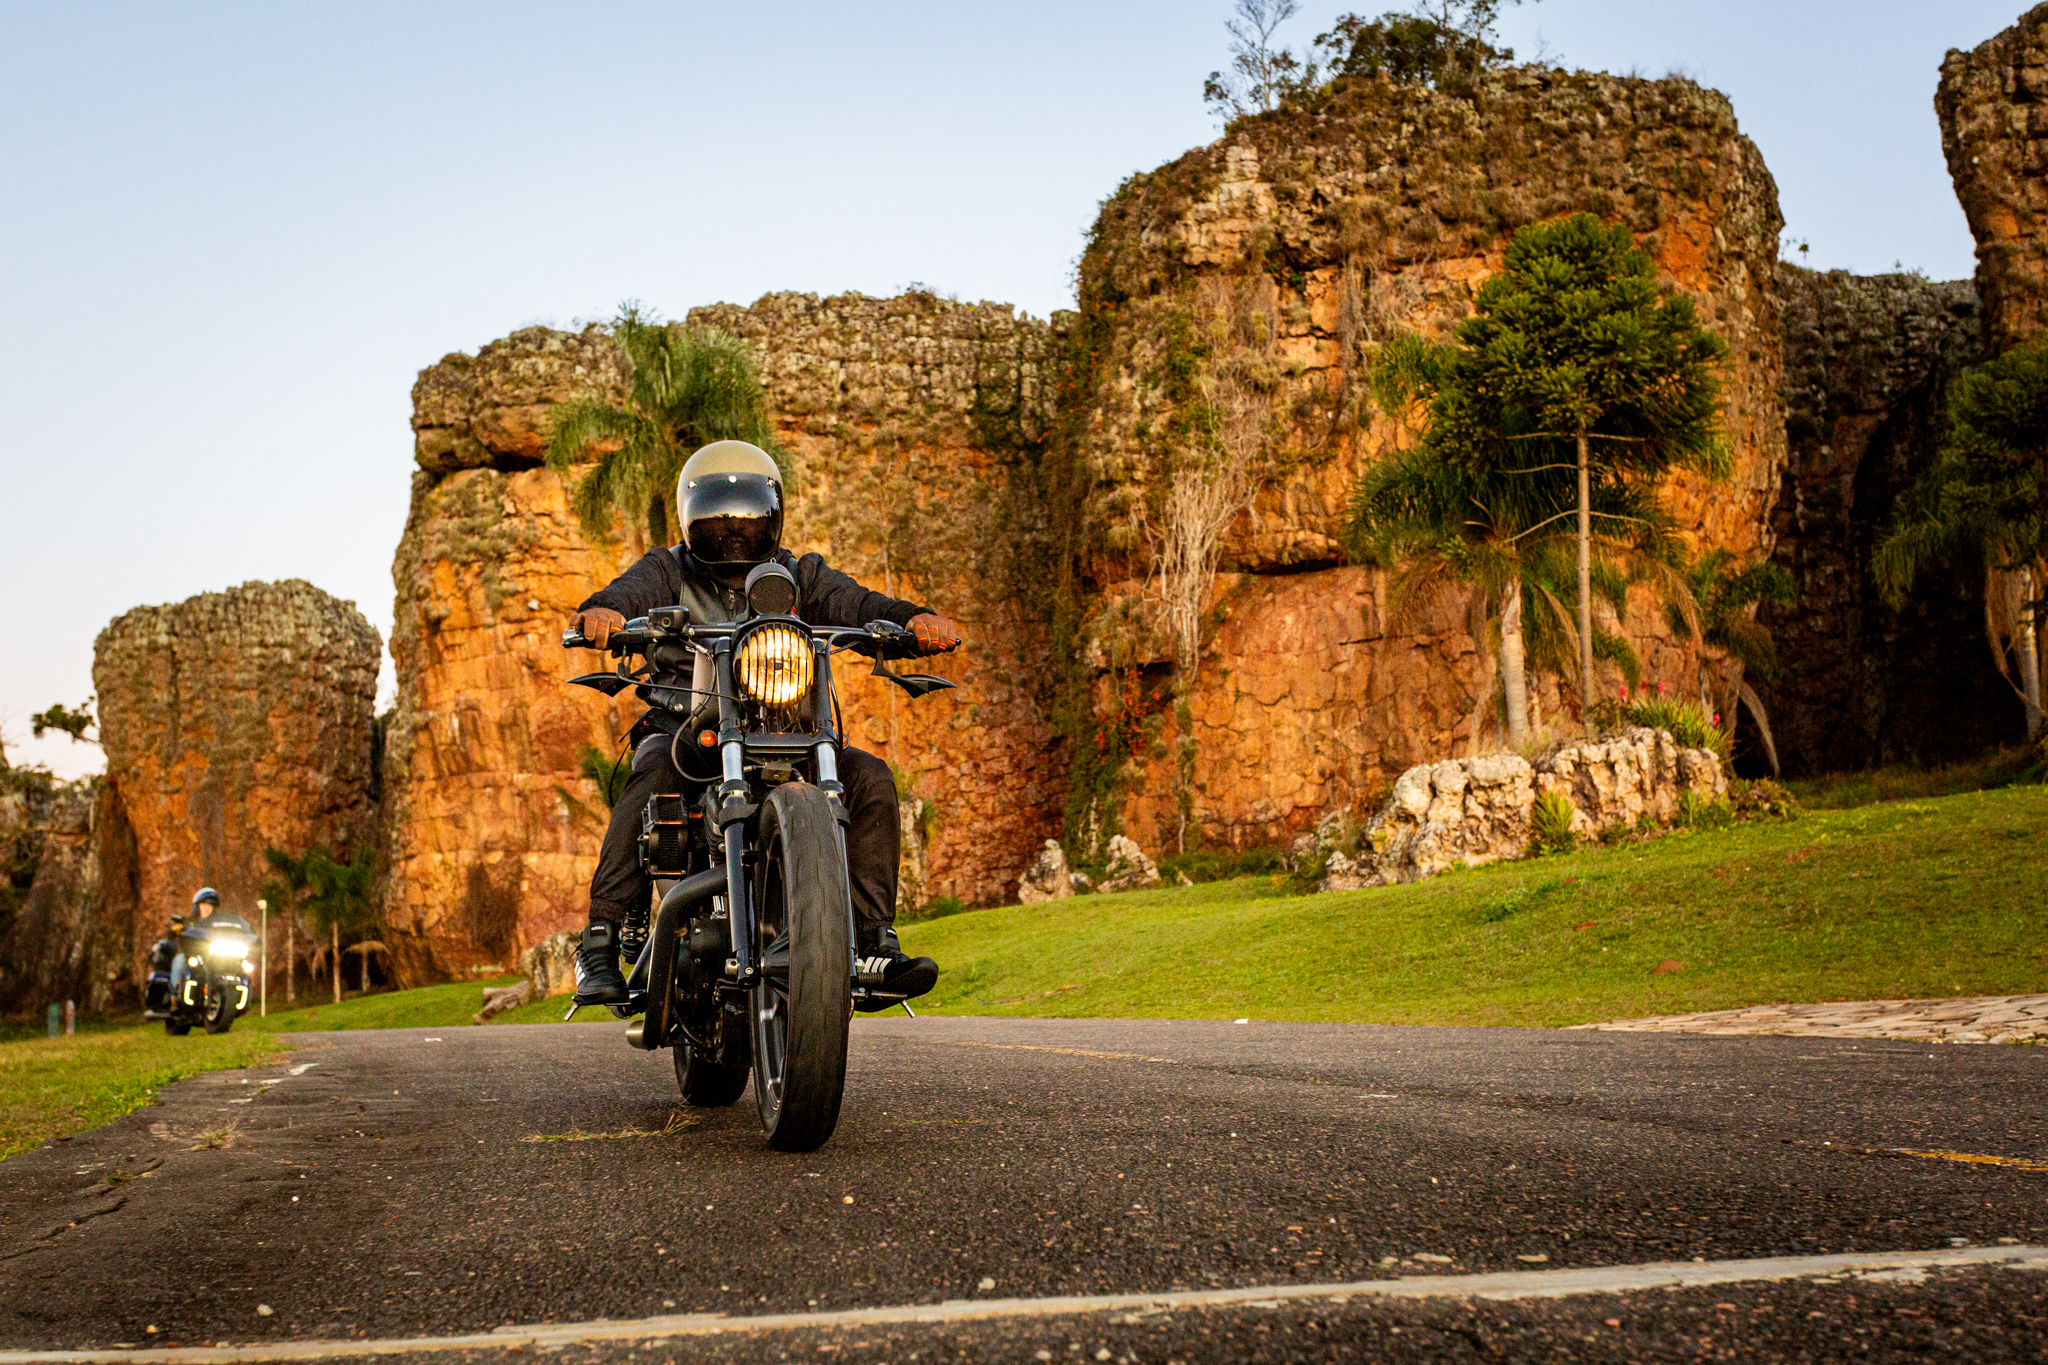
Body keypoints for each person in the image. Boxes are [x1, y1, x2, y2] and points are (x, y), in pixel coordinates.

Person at [566, 440, 958, 1009]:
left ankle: (873, 940)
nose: (733, 533)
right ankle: (598, 942)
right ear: (691, 518)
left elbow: (856, 603)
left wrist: (912, 622)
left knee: (869, 778)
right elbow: (629, 595)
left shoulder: (801, 575)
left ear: (771, 517)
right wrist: (605, 611)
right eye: (718, 520)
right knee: (650, 774)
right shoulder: (667, 570)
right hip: (689, 731)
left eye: (746, 518)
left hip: (790, 731)